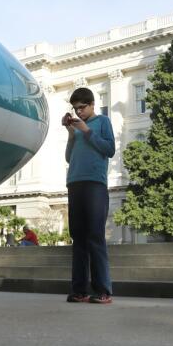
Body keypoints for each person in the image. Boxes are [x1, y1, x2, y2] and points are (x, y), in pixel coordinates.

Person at [62, 87, 115, 304]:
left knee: (95, 236)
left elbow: (109, 149)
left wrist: (86, 131)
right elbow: (68, 157)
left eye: (82, 108)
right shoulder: (77, 128)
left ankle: (103, 290)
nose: (79, 112)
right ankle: (79, 290)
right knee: (79, 238)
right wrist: (72, 134)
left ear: (92, 104)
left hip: (95, 183)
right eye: (75, 109)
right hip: (74, 182)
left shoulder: (102, 121)